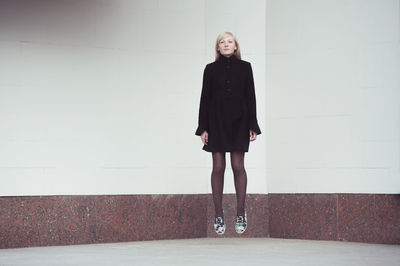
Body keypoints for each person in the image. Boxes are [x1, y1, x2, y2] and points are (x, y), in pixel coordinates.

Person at [195, 32, 261, 235]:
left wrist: (253, 124)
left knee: (237, 165)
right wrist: (203, 127)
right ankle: (218, 213)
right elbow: (204, 98)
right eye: (222, 42)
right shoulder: (210, 69)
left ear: (235, 46)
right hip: (216, 121)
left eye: (229, 42)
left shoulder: (245, 67)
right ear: (217, 47)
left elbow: (251, 96)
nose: (225, 44)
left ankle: (241, 211)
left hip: (240, 121)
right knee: (218, 166)